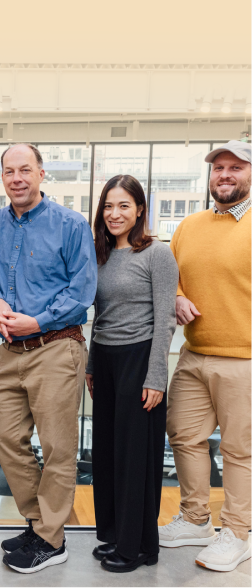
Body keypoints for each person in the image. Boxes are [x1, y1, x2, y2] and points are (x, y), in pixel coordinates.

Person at [0, 143, 97, 575]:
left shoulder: (70, 224)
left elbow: (82, 291)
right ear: (2, 177)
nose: (17, 178)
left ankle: (51, 539)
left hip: (56, 346)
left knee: (57, 447)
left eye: (25, 170)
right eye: (9, 171)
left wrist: (38, 320)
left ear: (41, 174)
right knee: (8, 441)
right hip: (9, 350)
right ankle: (40, 523)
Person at [159, 139, 252, 573]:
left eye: (236, 168)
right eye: (219, 168)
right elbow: (169, 277)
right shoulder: (189, 226)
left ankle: (236, 532)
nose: (226, 175)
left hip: (244, 361)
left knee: (238, 451)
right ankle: (197, 520)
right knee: (183, 436)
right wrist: (177, 297)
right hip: (193, 354)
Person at [85, 175, 178, 573]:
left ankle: (139, 546)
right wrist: (91, 363)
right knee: (107, 453)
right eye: (108, 205)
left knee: (135, 457)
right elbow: (98, 317)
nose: (114, 213)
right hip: (104, 359)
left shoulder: (157, 253)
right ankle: (113, 535)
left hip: (140, 359)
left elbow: (166, 319)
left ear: (140, 209)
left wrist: (156, 376)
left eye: (123, 205)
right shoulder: (100, 254)